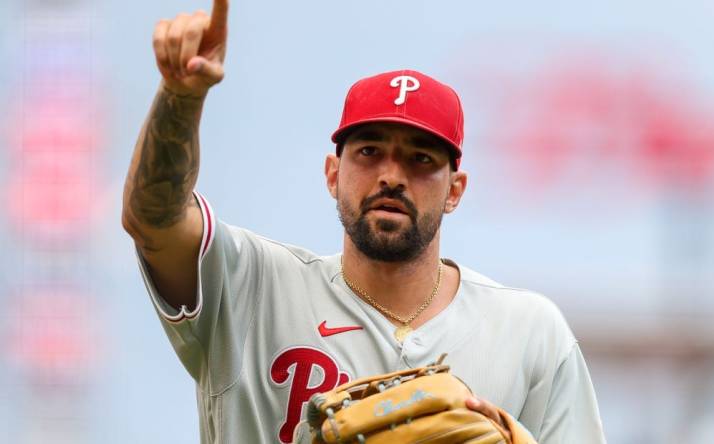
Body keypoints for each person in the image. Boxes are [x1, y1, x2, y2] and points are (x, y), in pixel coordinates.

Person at [121, 1, 606, 443]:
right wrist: (181, 98)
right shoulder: (254, 287)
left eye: (420, 159)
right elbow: (153, 219)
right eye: (369, 152)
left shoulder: (530, 335)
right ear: (333, 174)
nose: (392, 176)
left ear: (455, 190)